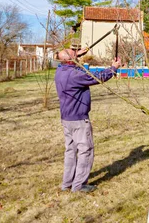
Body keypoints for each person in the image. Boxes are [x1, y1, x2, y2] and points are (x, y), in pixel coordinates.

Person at [55, 48, 121, 193]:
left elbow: (69, 65)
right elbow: (96, 77)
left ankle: (67, 184)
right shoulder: (74, 75)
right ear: (70, 60)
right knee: (85, 150)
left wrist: (76, 56)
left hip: (66, 119)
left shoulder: (60, 71)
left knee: (70, 151)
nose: (76, 53)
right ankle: (79, 186)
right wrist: (113, 68)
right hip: (78, 119)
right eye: (73, 53)